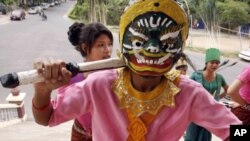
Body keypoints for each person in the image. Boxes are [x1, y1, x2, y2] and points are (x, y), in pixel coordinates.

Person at [32, 0, 241, 141]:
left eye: (167, 41)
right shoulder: (99, 85)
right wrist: (42, 90)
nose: (152, 48)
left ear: (181, 46)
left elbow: (236, 130)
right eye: (140, 40)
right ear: (124, 41)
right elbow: (47, 118)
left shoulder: (189, 94)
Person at [33, 22, 113, 141]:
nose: (108, 50)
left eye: (110, 44)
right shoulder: (72, 77)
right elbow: (46, 118)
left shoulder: (116, 74)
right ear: (85, 48)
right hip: (81, 135)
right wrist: (42, 90)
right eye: (101, 45)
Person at [185, 48, 229, 141]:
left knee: (205, 136)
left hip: (210, 112)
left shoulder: (220, 78)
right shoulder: (196, 75)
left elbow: (228, 90)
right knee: (191, 136)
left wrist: (217, 98)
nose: (215, 65)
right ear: (206, 63)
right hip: (195, 111)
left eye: (217, 63)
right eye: (212, 62)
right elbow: (186, 89)